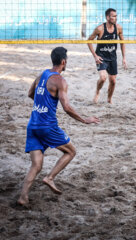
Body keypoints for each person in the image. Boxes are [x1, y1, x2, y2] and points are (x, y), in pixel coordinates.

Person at [17, 47, 100, 207]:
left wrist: (42, 105)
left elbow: (30, 94)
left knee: (36, 165)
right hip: (47, 126)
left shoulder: (41, 75)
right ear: (63, 62)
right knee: (71, 151)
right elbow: (67, 108)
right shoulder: (60, 81)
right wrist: (84, 120)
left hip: (32, 125)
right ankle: (50, 177)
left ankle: (23, 197)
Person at [87, 8, 127, 104]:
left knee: (113, 81)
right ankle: (97, 91)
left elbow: (122, 43)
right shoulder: (99, 29)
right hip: (101, 57)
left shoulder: (119, 28)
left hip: (112, 58)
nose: (115, 18)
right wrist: (95, 56)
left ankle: (109, 99)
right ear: (107, 17)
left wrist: (124, 58)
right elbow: (89, 41)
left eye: (116, 16)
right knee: (103, 77)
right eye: (113, 16)